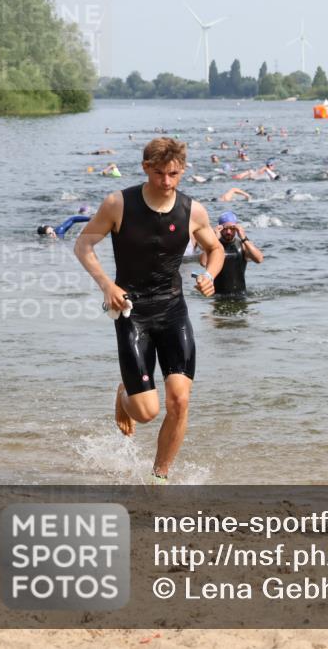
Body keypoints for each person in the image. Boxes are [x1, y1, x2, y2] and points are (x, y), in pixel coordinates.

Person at [74, 137, 224, 484]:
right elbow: (83, 244)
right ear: (145, 169)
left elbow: (215, 249)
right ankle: (126, 394)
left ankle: (160, 477)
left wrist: (210, 276)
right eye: (159, 174)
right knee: (146, 413)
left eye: (174, 174)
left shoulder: (193, 211)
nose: (167, 182)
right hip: (132, 312)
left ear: (182, 170)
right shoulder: (118, 204)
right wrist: (107, 285)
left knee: (179, 401)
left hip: (173, 310)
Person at [199, 211, 263, 295]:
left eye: (232, 228)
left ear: (236, 229)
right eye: (225, 228)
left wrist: (244, 238)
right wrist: (214, 239)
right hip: (218, 296)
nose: (228, 232)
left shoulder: (242, 245)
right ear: (219, 228)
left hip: (240, 295)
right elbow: (203, 262)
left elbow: (259, 259)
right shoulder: (214, 247)